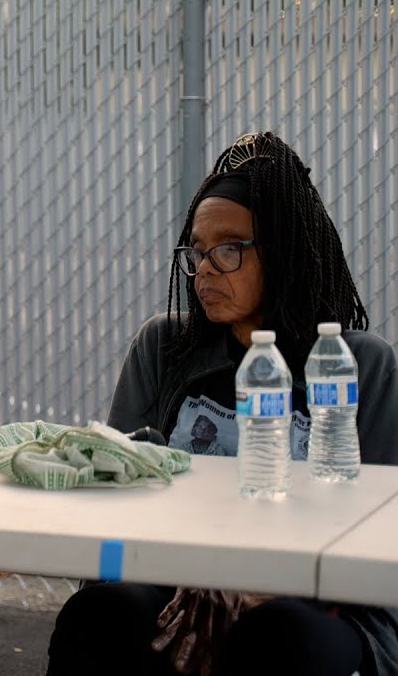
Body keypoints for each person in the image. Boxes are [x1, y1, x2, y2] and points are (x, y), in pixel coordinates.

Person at [46, 132, 398, 676]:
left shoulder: (358, 364)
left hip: (317, 597)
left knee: (277, 636)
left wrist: (263, 586)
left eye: (229, 248)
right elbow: (117, 494)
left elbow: (380, 529)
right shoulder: (164, 348)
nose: (206, 267)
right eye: (198, 250)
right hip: (173, 579)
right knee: (99, 614)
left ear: (282, 251)